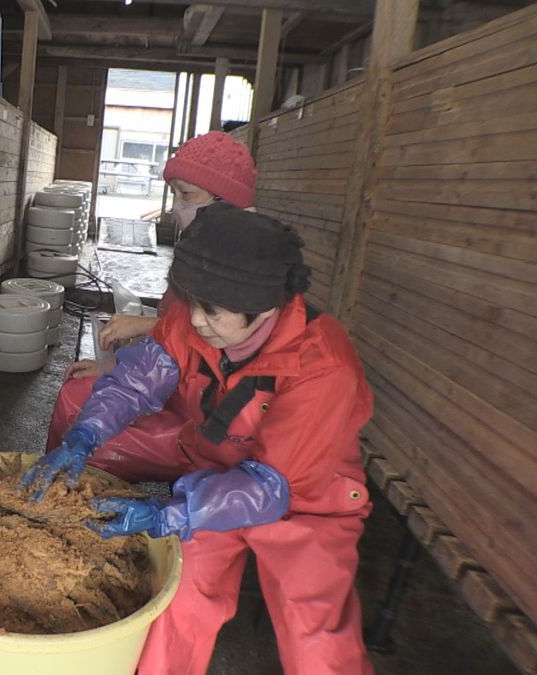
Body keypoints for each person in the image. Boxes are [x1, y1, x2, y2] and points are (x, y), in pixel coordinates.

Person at [23, 203, 375, 675]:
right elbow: (134, 383)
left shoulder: (324, 365)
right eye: (190, 303)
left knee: (315, 637)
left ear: (266, 308)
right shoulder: (193, 320)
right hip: (215, 478)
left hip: (306, 502)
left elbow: (272, 486)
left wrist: (169, 513)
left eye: (212, 311)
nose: (197, 320)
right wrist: (85, 435)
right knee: (176, 603)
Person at [48, 131, 258, 466]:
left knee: (83, 421)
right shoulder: (200, 251)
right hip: (179, 390)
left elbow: (202, 344)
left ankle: (69, 495)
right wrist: (116, 366)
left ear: (227, 203)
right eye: (174, 194)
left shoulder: (246, 269)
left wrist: (148, 327)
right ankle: (55, 488)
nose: (175, 207)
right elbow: (173, 346)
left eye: (186, 195)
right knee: (79, 401)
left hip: (209, 421)